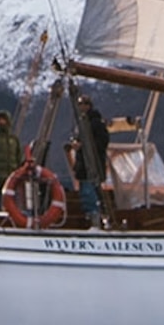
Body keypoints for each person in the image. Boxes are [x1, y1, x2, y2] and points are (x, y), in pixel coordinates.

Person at [71, 90, 111, 227]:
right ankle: (96, 218)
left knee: (89, 192)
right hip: (84, 163)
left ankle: (95, 219)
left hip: (92, 164)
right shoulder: (81, 123)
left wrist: (85, 145)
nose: (81, 107)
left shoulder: (95, 123)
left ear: (89, 106)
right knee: (90, 190)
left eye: (83, 104)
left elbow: (103, 141)